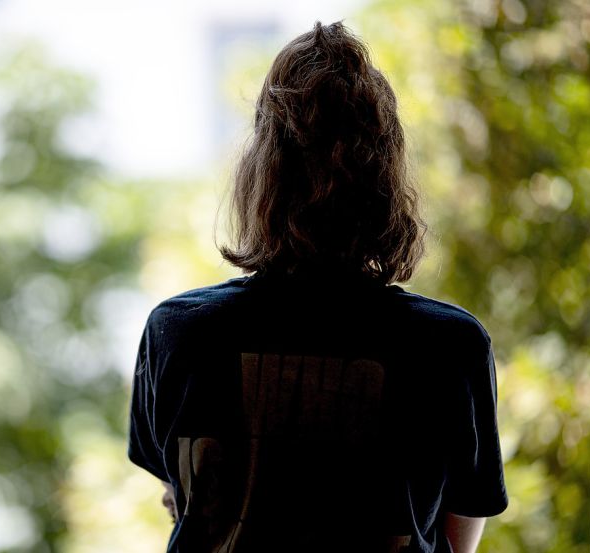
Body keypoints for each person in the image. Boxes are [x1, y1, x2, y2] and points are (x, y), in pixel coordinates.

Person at [127, 21, 508, 553]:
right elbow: (456, 537)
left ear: (259, 175)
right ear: (387, 175)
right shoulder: (451, 346)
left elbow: (184, 499)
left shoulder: (179, 333)